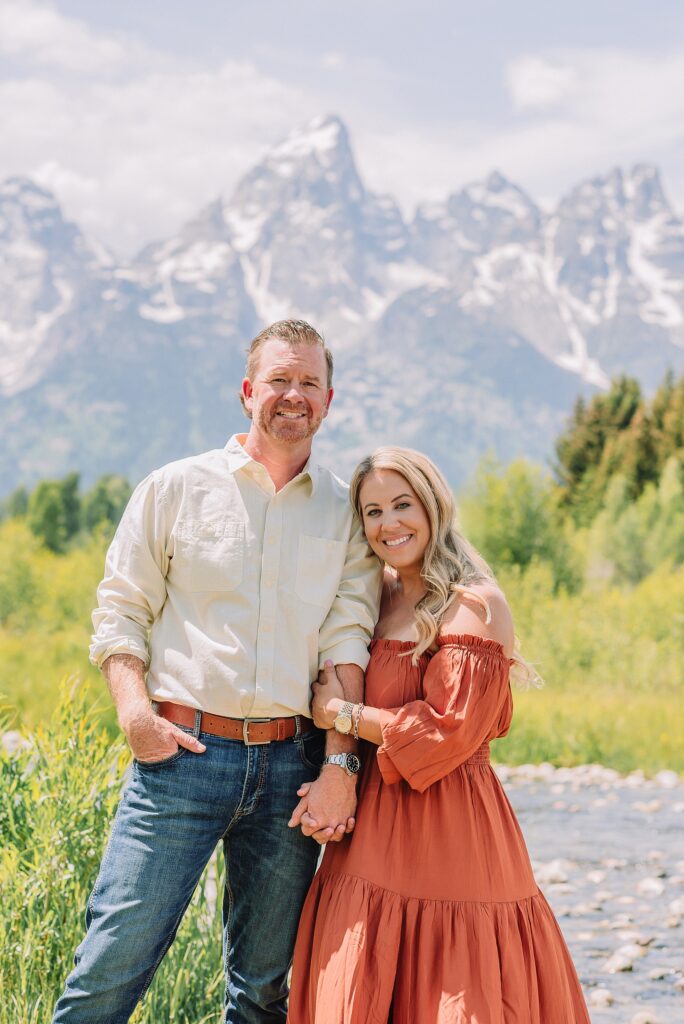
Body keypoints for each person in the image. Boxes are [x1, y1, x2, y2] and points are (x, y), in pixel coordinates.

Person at [52, 319, 382, 1024]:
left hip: (292, 766)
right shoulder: (174, 488)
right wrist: (136, 716)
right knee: (108, 970)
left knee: (263, 991)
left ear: (330, 400)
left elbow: (347, 641)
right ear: (246, 392)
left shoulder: (345, 511)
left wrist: (341, 766)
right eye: (279, 380)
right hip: (179, 758)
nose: (294, 395)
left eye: (309, 383)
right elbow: (121, 610)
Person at [287, 446, 590, 1024]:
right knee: (360, 988)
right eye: (372, 512)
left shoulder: (474, 603)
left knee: (457, 996)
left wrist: (343, 715)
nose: (388, 523)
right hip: (372, 827)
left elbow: (445, 732)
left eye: (402, 505)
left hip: (451, 826)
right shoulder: (371, 593)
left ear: (433, 506)